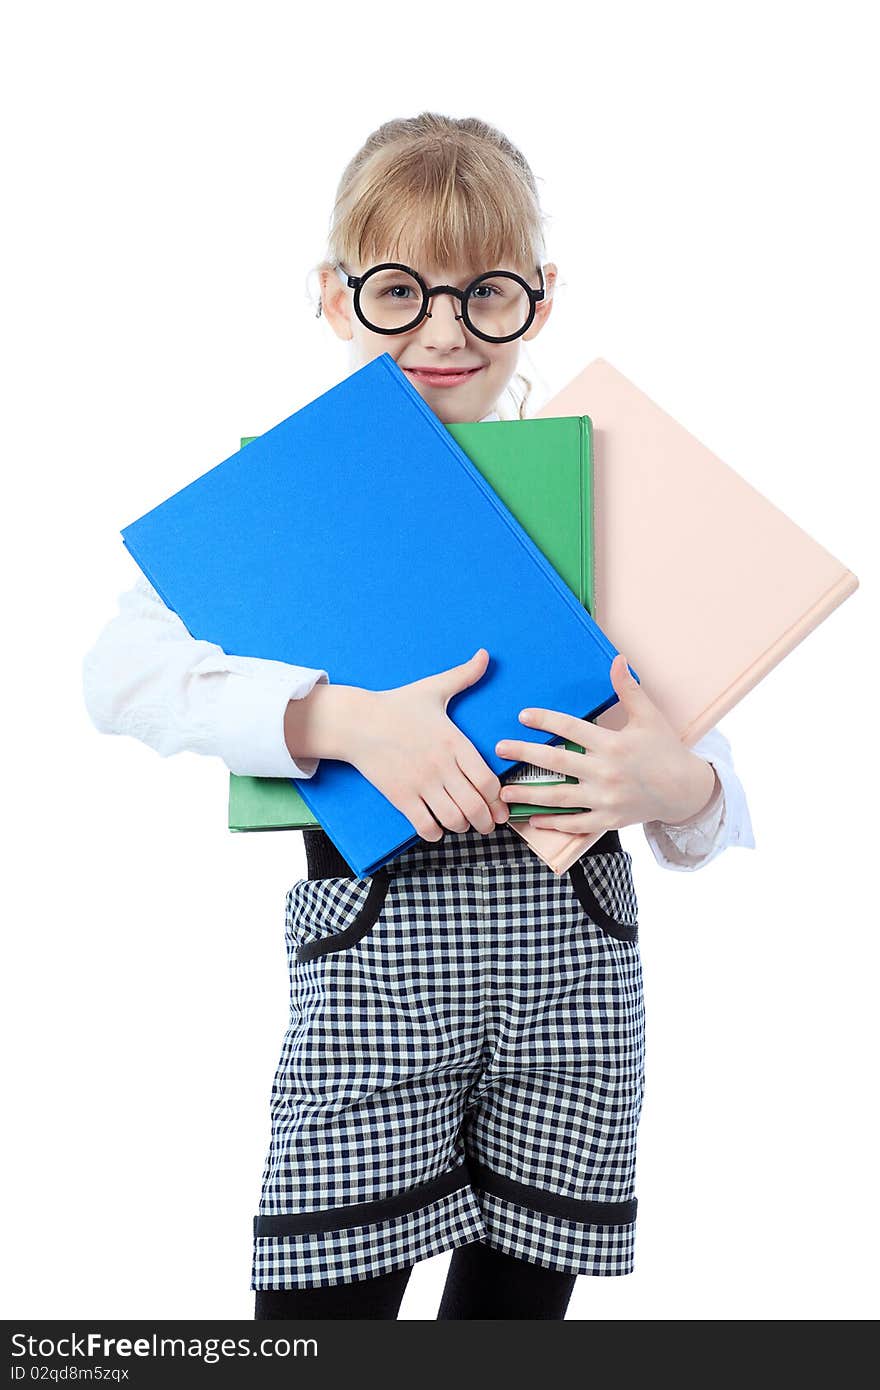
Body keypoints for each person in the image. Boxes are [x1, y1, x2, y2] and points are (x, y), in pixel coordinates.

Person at [82, 112, 754, 1320]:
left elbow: (703, 740)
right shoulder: (284, 505)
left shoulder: (610, 489)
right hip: (370, 996)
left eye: (482, 293)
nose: (443, 330)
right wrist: (335, 720)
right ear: (336, 297)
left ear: (538, 301)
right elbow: (118, 672)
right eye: (401, 291)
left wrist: (680, 788)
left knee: (511, 1324)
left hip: (574, 1001)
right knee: (319, 1320)